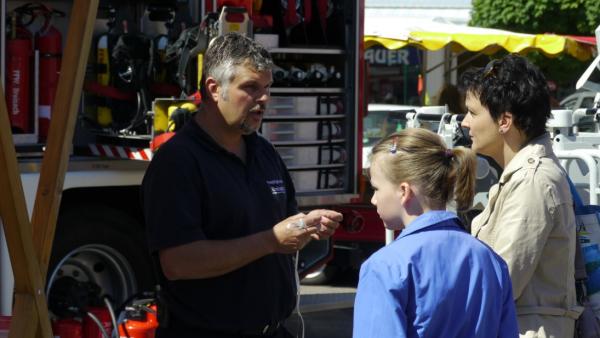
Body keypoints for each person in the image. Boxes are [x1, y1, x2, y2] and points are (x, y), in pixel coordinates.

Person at [141, 32, 342, 338]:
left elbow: (278, 230)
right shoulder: (178, 162)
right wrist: (271, 240)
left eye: (267, 88)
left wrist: (304, 228)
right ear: (213, 89)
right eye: (250, 88)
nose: (263, 99)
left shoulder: (263, 151)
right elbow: (178, 263)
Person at [353, 128, 519, 338]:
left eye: (375, 188)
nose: (373, 199)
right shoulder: (490, 259)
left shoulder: (385, 266)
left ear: (404, 191)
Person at [460, 54, 581, 337]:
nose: (465, 122)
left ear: (504, 120)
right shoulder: (522, 176)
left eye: (473, 113)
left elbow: (501, 281)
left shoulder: (533, 181)